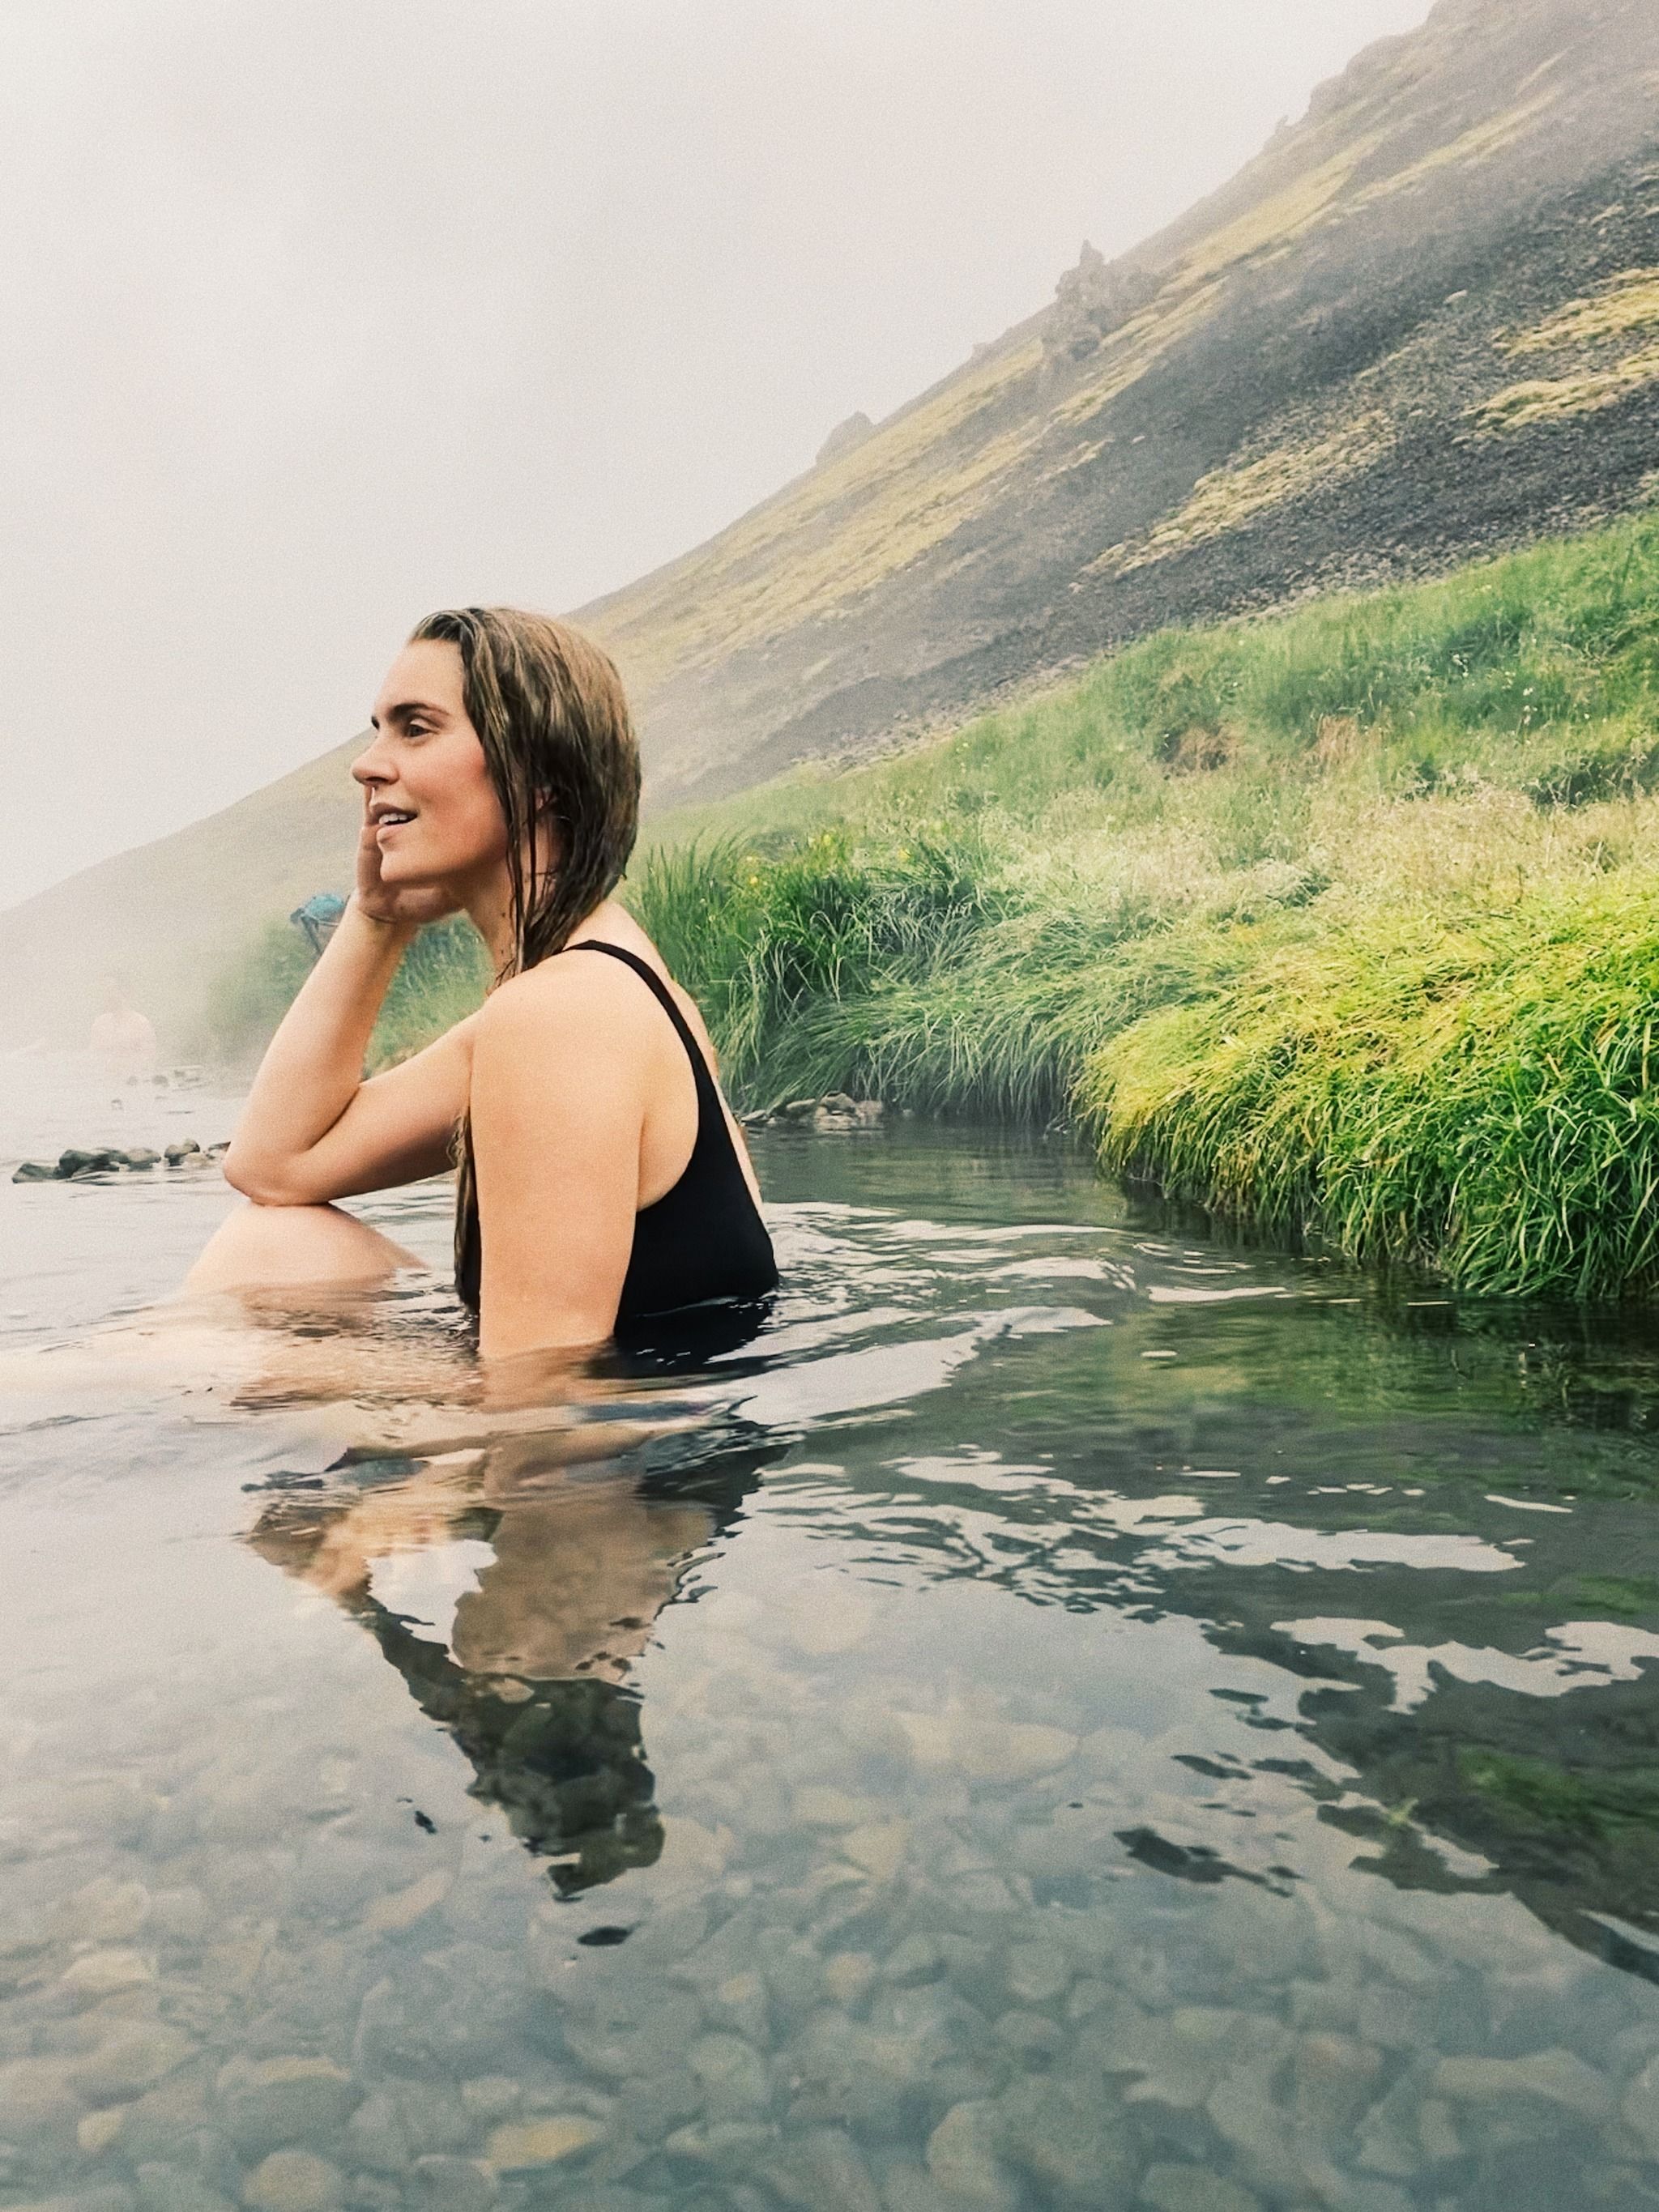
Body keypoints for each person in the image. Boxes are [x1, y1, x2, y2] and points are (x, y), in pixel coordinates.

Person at [185, 607, 777, 1364]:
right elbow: (272, 1167)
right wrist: (376, 918)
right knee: (272, 1245)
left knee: (202, 1362)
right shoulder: (582, 985)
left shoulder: (563, 1015)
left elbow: (540, 1403)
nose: (366, 765)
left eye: (415, 728)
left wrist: (295, 1374)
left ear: (536, 776)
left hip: (611, 1433)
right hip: (638, 1414)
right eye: (378, 730)